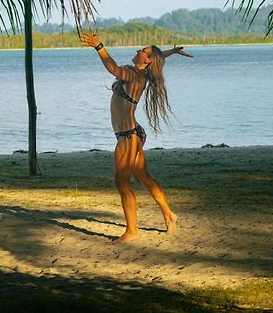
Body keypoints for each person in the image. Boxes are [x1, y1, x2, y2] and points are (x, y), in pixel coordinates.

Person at [80, 32, 193, 244]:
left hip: (127, 136)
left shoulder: (134, 76)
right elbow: (158, 58)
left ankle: (132, 231)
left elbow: (112, 68)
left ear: (147, 60)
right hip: (133, 133)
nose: (138, 50)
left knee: (122, 182)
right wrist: (173, 52)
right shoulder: (142, 74)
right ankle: (169, 215)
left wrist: (99, 46)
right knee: (143, 177)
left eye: (143, 50)